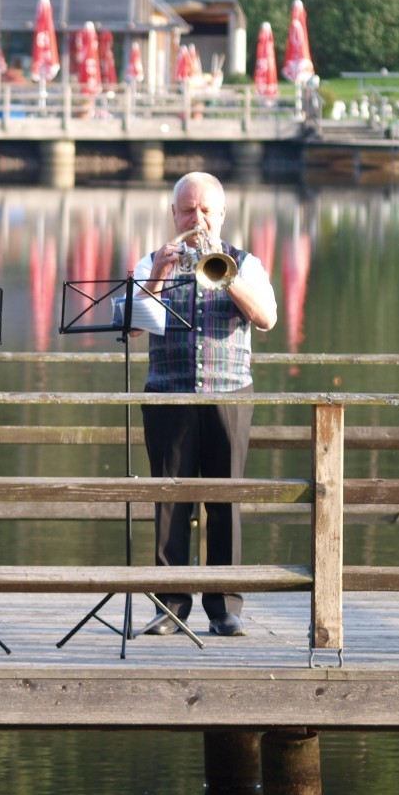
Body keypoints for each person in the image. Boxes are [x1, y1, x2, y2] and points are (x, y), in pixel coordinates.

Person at [131, 172, 277, 637]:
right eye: (188, 210)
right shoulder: (150, 261)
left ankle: (225, 607)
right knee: (170, 501)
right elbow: (131, 327)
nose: (197, 219)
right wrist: (159, 274)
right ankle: (170, 606)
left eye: (206, 210)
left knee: (225, 499)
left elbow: (267, 318)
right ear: (173, 214)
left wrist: (225, 274)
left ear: (222, 214)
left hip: (228, 394)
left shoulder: (245, 262)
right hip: (168, 394)